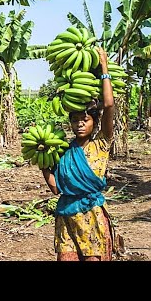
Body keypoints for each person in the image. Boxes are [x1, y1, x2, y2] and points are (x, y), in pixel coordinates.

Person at [41, 47, 117, 261]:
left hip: (91, 214)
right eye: (75, 120)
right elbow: (55, 188)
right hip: (65, 216)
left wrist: (104, 67)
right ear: (70, 123)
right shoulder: (63, 151)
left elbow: (109, 105)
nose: (80, 123)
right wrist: (43, 164)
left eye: (85, 119)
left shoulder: (101, 144)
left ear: (94, 122)